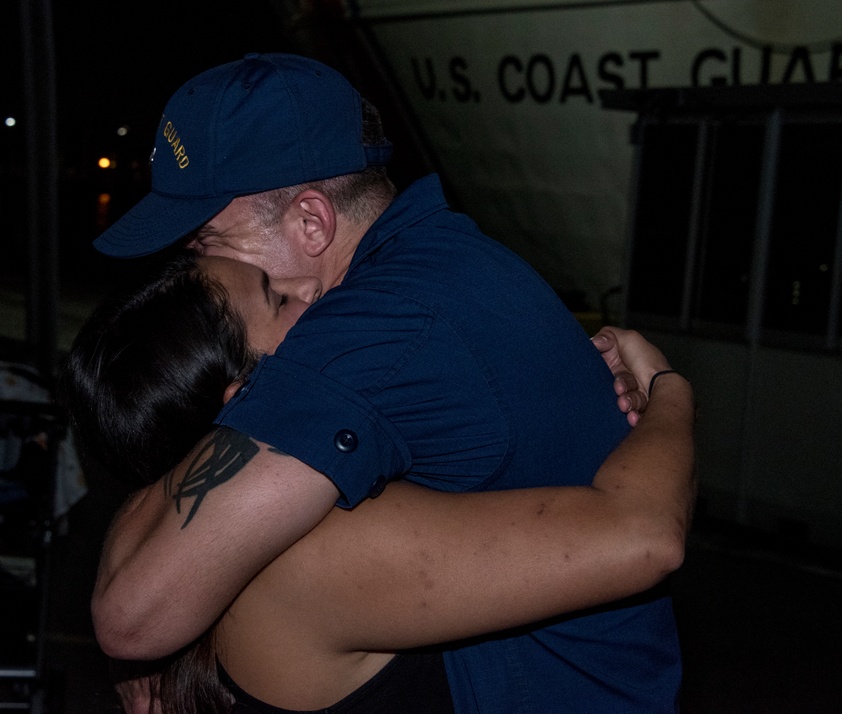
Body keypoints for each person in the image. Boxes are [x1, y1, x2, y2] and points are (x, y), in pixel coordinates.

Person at [91, 53, 693, 711]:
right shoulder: (446, 261)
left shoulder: (368, 327)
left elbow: (136, 613)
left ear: (312, 221)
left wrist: (669, 389)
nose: (195, 262)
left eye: (208, 239)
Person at [60, 251, 695, 713]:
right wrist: (669, 391)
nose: (316, 290)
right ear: (243, 399)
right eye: (278, 299)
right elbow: (643, 535)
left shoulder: (181, 544)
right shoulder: (314, 552)